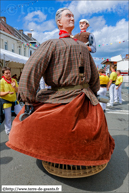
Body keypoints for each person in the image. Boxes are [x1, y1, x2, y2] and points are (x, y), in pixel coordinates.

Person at [6, 8, 115, 174]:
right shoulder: (52, 44)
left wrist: (93, 94)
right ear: (59, 22)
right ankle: (66, 159)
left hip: (83, 96)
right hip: (61, 94)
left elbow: (93, 74)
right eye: (68, 15)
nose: (72, 17)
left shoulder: (82, 47)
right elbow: (31, 69)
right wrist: (28, 100)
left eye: (72, 15)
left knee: (90, 127)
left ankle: (78, 160)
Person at [0, 67, 22, 135]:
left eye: (9, 73)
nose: (9, 74)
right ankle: (8, 131)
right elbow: (0, 93)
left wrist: (15, 86)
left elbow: (17, 90)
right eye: (7, 73)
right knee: (8, 118)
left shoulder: (13, 80)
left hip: (15, 102)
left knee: (21, 114)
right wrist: (7, 92)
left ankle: (20, 127)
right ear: (3, 74)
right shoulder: (1, 81)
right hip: (6, 103)